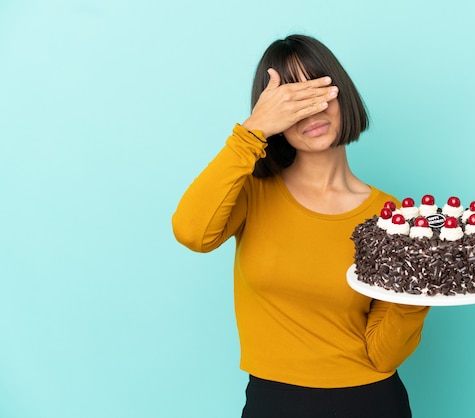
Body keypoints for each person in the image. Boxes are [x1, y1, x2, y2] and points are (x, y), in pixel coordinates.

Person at [172, 34, 430, 418]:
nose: (311, 113)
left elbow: (383, 354)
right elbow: (192, 233)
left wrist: (419, 291)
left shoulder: (391, 215)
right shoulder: (251, 192)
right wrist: (252, 132)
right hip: (273, 403)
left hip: (372, 402)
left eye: (318, 92)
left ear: (343, 94)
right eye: (292, 102)